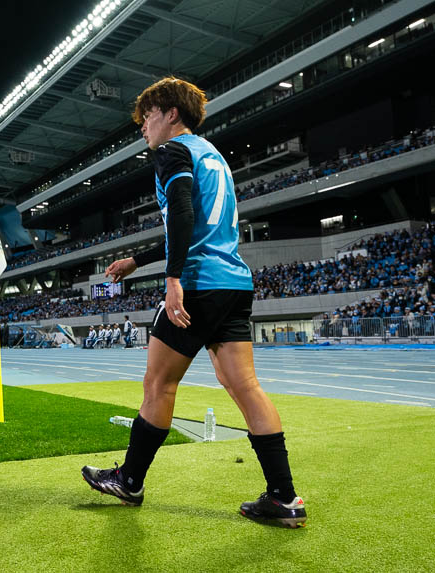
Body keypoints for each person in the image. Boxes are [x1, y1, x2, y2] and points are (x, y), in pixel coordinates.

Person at [80, 77, 306, 528]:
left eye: (148, 116)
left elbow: (182, 215)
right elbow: (198, 224)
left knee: (158, 384)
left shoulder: (171, 151)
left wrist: (172, 280)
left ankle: (130, 480)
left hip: (199, 283)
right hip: (234, 282)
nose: (143, 126)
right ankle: (284, 498)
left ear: (171, 114)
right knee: (245, 386)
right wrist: (137, 260)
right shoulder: (212, 156)